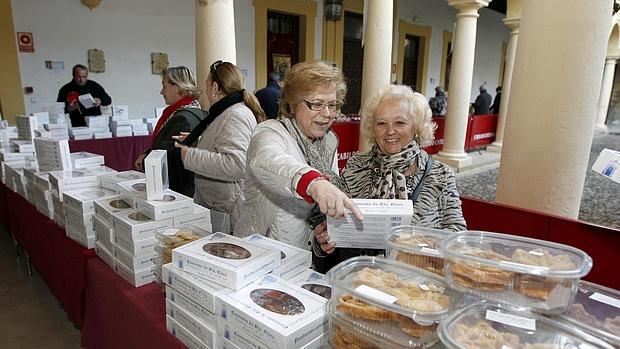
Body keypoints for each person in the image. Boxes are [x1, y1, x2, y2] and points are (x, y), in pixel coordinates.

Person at [312, 84, 467, 272]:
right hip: (362, 280)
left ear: (416, 126)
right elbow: (338, 226)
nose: (390, 131)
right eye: (381, 123)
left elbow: (457, 235)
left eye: (400, 123)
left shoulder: (441, 174)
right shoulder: (355, 167)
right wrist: (324, 240)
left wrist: (420, 247)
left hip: (417, 283)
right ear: (372, 128)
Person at [235, 61, 363, 252]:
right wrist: (314, 183)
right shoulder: (270, 132)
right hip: (260, 252)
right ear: (292, 105)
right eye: (317, 104)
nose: (327, 114)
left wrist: (322, 233)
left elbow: (324, 201)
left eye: (333, 105)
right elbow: (266, 160)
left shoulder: (329, 141)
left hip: (302, 256)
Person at [174, 61, 265, 234]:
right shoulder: (226, 110)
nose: (205, 91)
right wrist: (199, 141)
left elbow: (236, 164)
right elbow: (223, 141)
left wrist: (190, 156)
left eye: (207, 85)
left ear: (215, 88)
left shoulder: (235, 114)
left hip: (228, 211)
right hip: (219, 203)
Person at [134, 66, 204, 197]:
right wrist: (148, 152)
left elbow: (170, 156)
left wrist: (145, 161)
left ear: (177, 87)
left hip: (178, 191)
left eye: (164, 86)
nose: (161, 92)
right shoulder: (196, 111)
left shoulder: (182, 118)